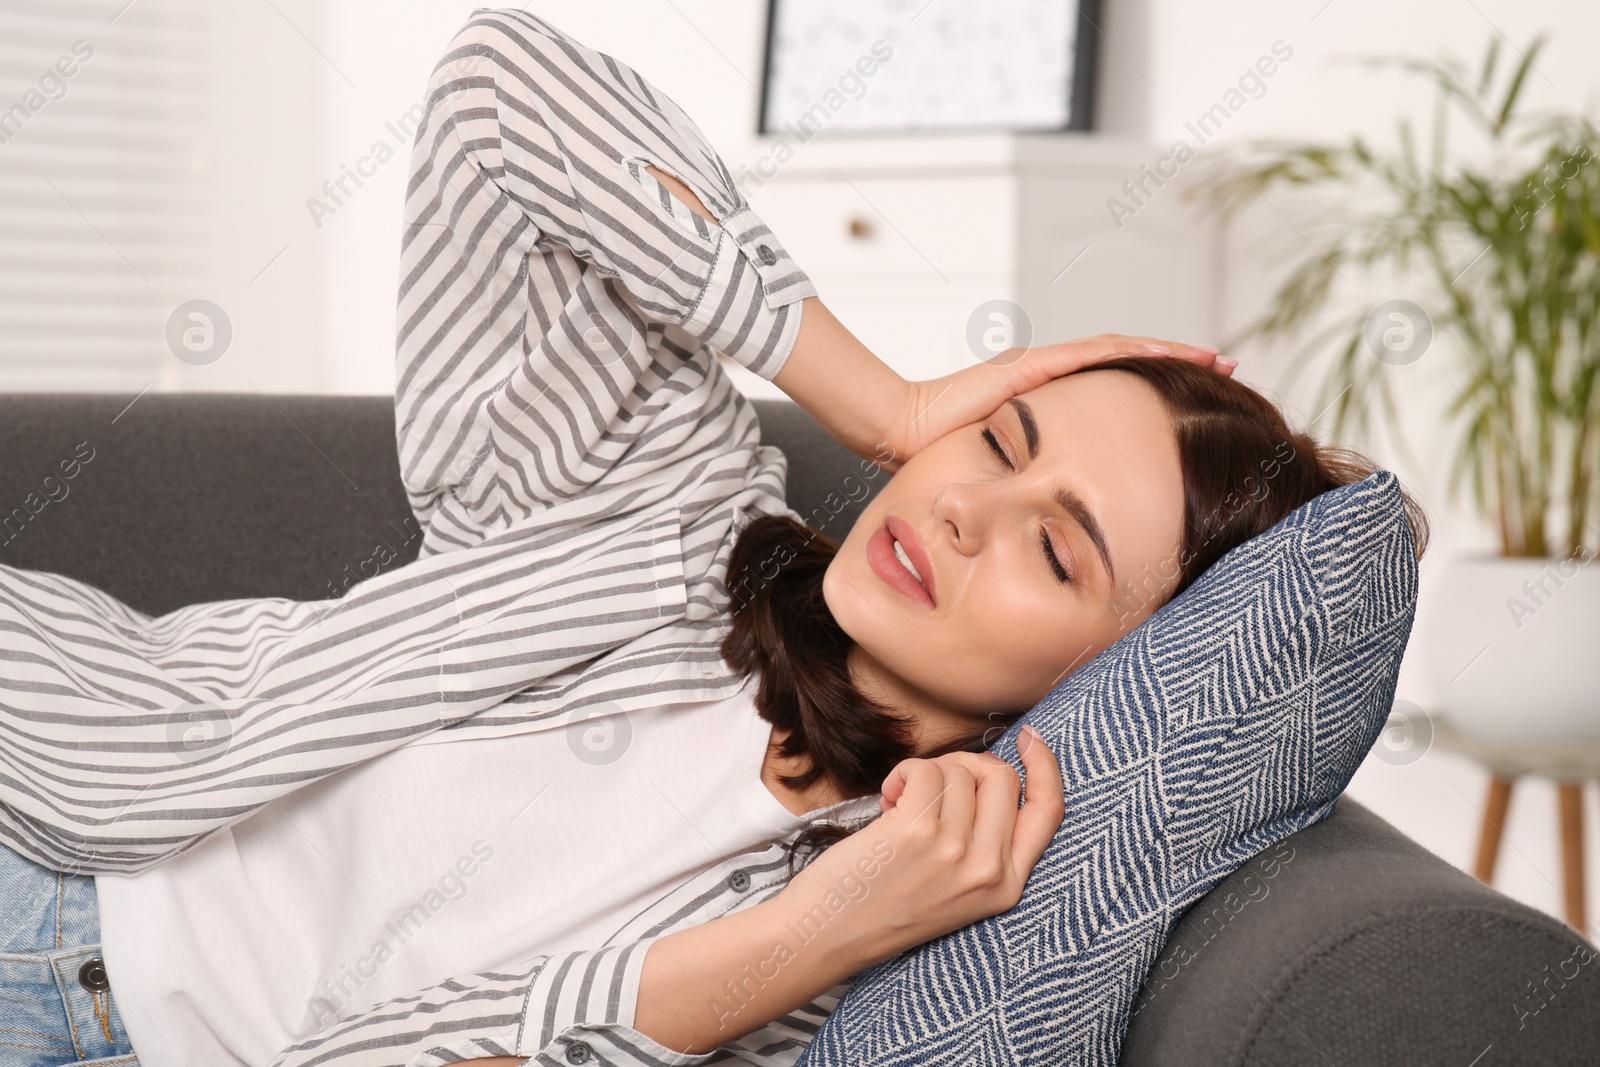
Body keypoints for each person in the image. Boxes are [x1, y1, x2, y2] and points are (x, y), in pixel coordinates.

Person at [0, 9, 1425, 1067]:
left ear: (1122, 667)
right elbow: (502, 87)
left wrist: (812, 936)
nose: (958, 511)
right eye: (995, 439)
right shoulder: (668, 503)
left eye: (1055, 553)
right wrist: (885, 396)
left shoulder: (853, 916)